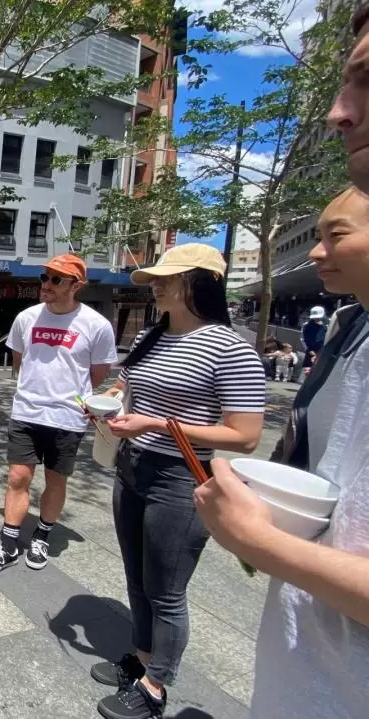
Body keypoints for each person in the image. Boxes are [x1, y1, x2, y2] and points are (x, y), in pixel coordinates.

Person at [198, 186, 369, 719]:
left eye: (336, 235)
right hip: (303, 660)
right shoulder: (352, 329)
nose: (316, 252)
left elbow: (245, 431)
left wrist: (257, 540)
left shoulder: (230, 346)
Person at [86, 243, 265, 719]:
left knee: (166, 589)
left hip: (181, 479)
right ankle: (142, 659)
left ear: (201, 283)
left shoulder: (230, 347)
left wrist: (157, 424)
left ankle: (156, 686)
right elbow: (126, 385)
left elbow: (244, 436)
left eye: (168, 277)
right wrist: (104, 400)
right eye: (155, 278)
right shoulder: (152, 334)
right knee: (137, 577)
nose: (156, 284)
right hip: (132, 466)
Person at [0, 254, 118, 574]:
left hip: (68, 417)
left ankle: (42, 535)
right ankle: (8, 543)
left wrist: (68, 393)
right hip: (26, 411)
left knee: (56, 479)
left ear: (76, 285)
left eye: (57, 279)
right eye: (45, 277)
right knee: (18, 477)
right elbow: (19, 362)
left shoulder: (97, 326)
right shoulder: (26, 318)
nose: (47, 285)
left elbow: (97, 374)